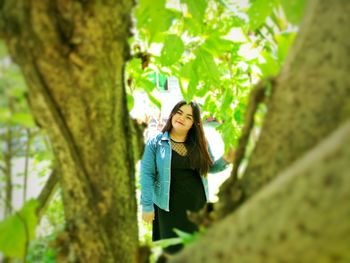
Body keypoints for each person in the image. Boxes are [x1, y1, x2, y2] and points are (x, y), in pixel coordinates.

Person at [140, 100, 234, 254]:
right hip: (168, 208)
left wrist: (226, 160)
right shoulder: (155, 143)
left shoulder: (200, 143)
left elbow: (209, 168)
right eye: (179, 112)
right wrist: (147, 206)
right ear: (172, 114)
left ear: (194, 123)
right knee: (172, 250)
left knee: (198, 250)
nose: (182, 118)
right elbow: (146, 175)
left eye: (189, 117)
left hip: (197, 206)